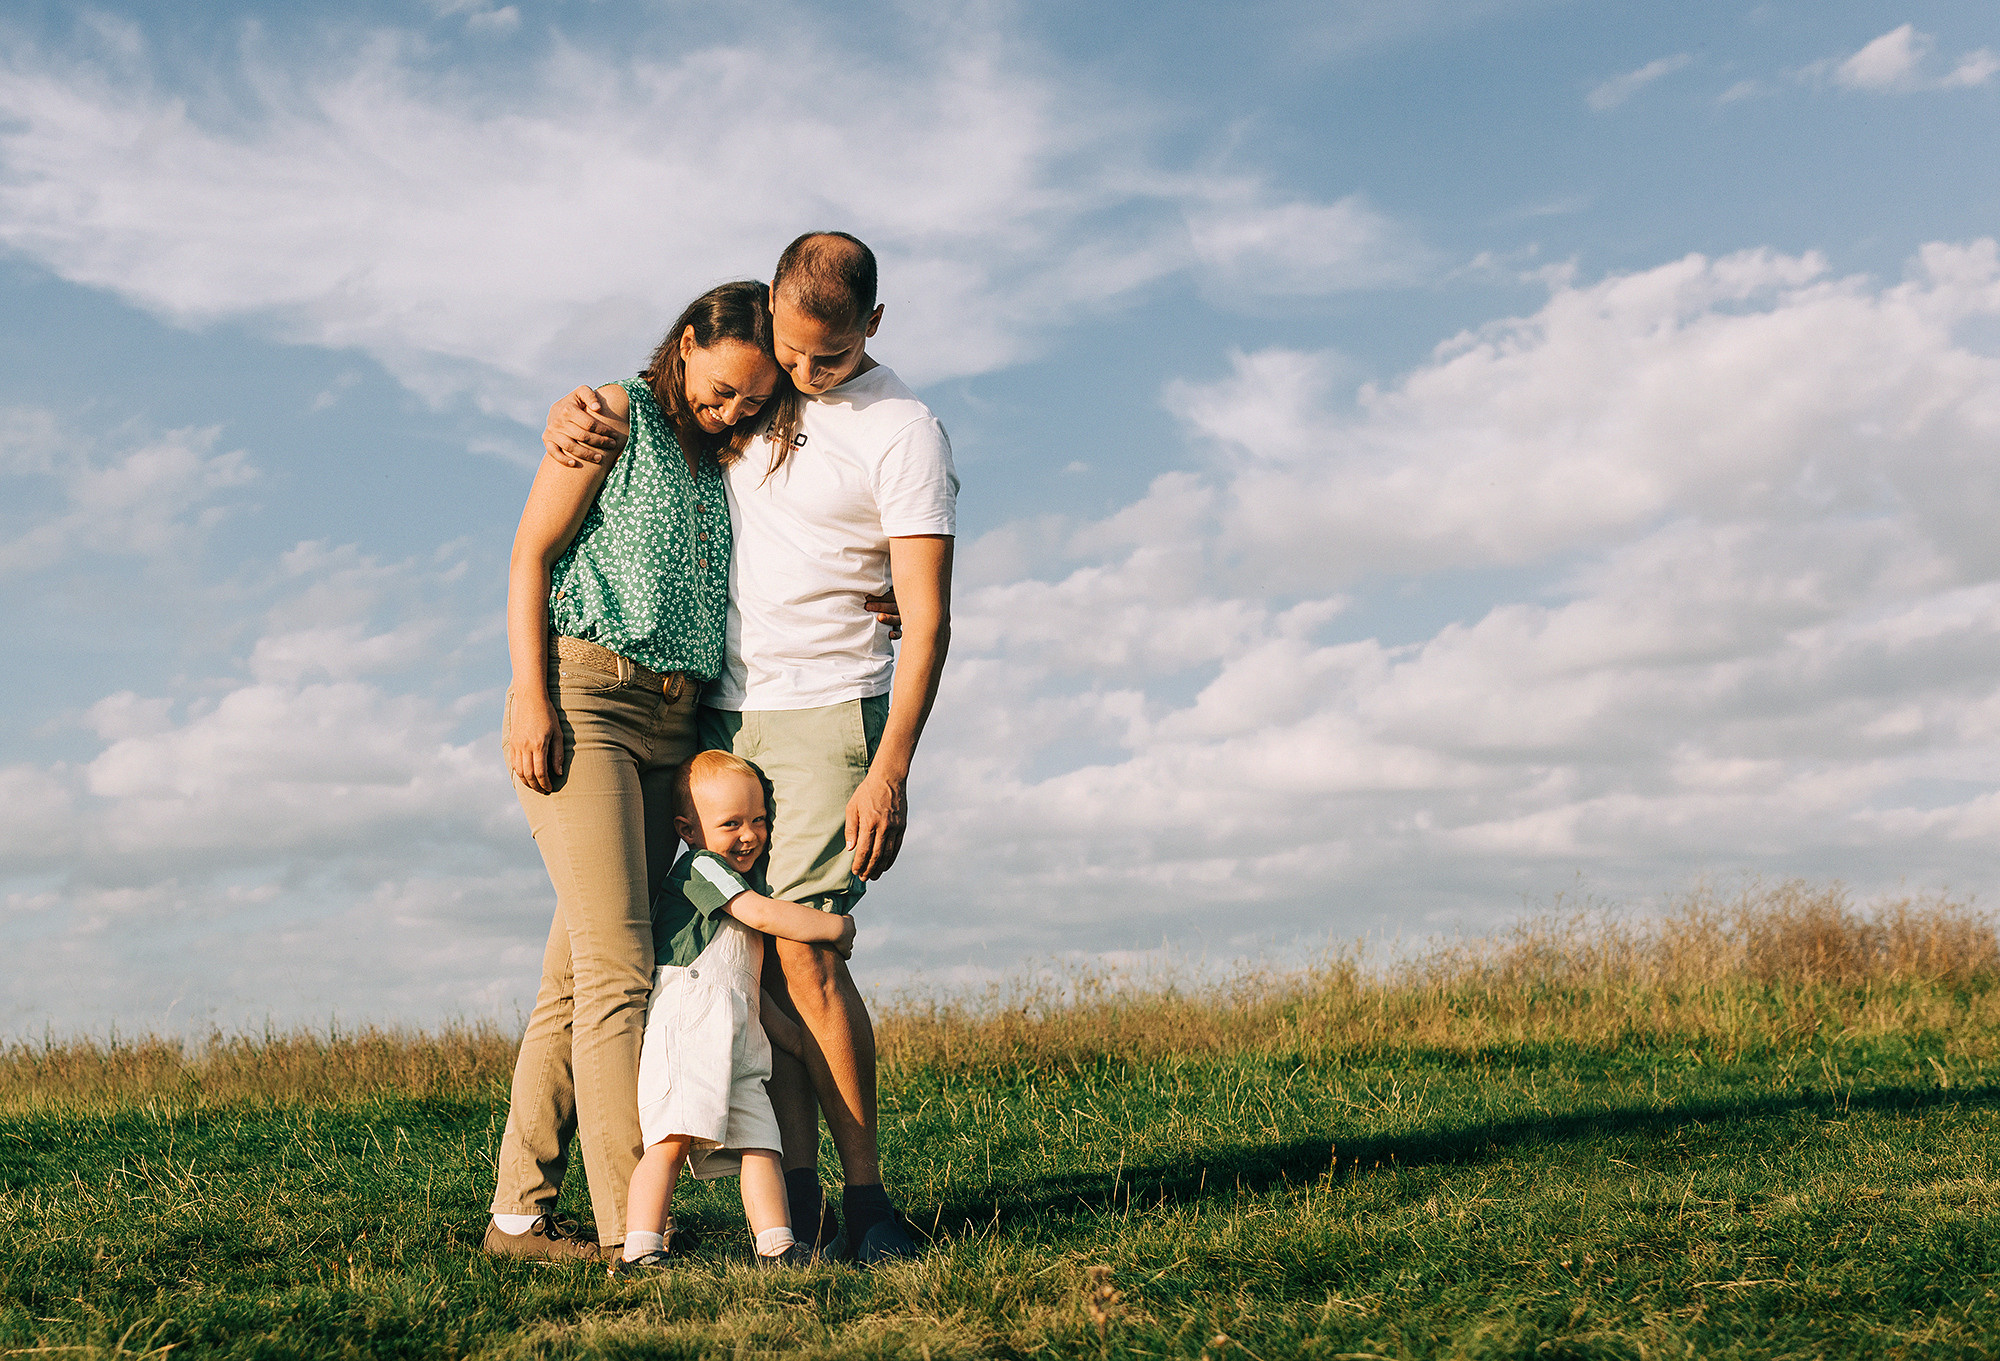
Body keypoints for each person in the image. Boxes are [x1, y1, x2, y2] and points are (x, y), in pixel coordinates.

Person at [542, 231, 957, 1263]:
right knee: (754, 962)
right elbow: (657, 416)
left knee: (806, 952)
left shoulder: (901, 426)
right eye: (793, 349)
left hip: (828, 707)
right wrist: (572, 411)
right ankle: (797, 1204)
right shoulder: (756, 394)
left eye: (831, 355)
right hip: (722, 711)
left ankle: (867, 1201)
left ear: (874, 324)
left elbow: (927, 616)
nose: (806, 373)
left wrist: (891, 770)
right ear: (768, 308)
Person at [485, 281, 796, 1262]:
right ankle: (636, 1232)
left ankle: (517, 1216)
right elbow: (531, 554)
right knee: (620, 966)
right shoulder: (612, 415)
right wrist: (530, 694)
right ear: (687, 340)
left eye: (753, 399)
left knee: (577, 975)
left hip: (676, 724)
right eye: (722, 386)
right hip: (587, 698)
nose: (732, 409)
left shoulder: (730, 458)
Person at [614, 749, 857, 1274]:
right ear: (689, 831)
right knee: (671, 1140)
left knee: (762, 1143)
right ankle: (641, 1248)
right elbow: (761, 915)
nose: (749, 835)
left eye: (759, 820)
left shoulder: (732, 875)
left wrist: (795, 1041)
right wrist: (834, 928)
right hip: (689, 1026)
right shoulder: (702, 869)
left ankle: (777, 1245)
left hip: (738, 1035)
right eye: (731, 824)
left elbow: (746, 987)